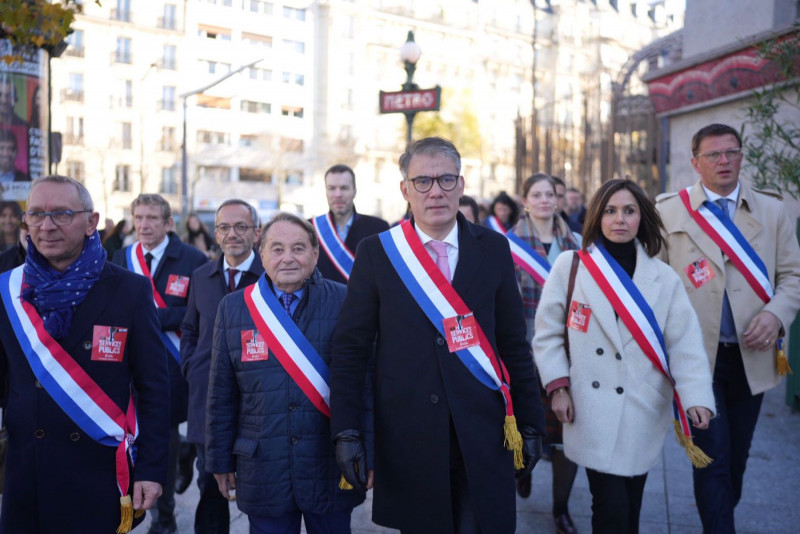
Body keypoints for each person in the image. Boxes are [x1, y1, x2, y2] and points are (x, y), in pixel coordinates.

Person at [330, 137, 544, 534]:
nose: (436, 192)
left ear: (461, 186)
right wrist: (347, 429)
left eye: (446, 180)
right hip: (409, 433)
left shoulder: (493, 248)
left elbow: (513, 342)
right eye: (423, 181)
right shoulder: (378, 252)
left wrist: (532, 422)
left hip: (484, 429)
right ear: (405, 189)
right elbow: (351, 349)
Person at [533, 178, 715, 534]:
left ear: (641, 218)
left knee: (631, 507)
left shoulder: (664, 278)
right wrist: (558, 387)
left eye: (629, 211)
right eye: (610, 211)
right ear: (597, 217)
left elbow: (685, 343)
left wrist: (696, 397)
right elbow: (548, 335)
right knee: (610, 509)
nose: (619, 219)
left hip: (642, 408)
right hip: (589, 408)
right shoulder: (571, 266)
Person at [0, 175, 170, 532]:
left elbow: (153, 388)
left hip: (97, 473)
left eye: (61, 213)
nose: (46, 226)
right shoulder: (7, 289)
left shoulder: (130, 291)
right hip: (25, 470)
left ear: (92, 222)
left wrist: (152, 470)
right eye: (36, 214)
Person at [655, 123, 800, 533]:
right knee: (712, 454)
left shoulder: (771, 210)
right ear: (695, 162)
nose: (724, 162)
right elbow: (655, 280)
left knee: (736, 458)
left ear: (741, 156)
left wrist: (775, 315)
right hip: (696, 358)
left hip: (751, 357)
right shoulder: (669, 210)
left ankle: (719, 516)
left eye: (731, 153)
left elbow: (793, 275)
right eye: (713, 155)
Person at [206, 212, 368, 533]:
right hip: (263, 466)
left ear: (315, 253)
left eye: (298, 248)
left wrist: (371, 452)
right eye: (277, 249)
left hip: (329, 462)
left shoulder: (345, 300)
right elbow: (221, 393)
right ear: (261, 253)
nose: (288, 258)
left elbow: (366, 385)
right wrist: (220, 461)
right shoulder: (234, 307)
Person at [112, 193, 208, 534]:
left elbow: (199, 312)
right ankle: (181, 451)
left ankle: (163, 519)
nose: (144, 225)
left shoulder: (193, 259)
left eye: (152, 218)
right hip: (129, 367)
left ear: (169, 223)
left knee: (160, 442)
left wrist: (154, 315)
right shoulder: (122, 258)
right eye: (138, 217)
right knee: (137, 438)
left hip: (172, 367)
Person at [181, 199, 264, 534]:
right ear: (215, 233)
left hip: (256, 401)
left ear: (256, 233)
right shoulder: (201, 275)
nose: (233, 234)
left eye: (241, 227)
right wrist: (191, 365)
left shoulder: (269, 276)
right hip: (208, 401)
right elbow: (189, 327)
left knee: (259, 488)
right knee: (210, 485)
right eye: (225, 227)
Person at [511, 173, 581, 534]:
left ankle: (561, 509)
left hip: (570, 355)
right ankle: (522, 473)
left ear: (558, 199)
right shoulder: (505, 245)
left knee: (567, 435)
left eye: (550, 194)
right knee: (524, 430)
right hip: (523, 355)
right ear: (524, 200)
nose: (543, 200)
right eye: (536, 194)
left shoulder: (579, 244)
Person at [311, 164, 389, 284]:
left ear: (354, 191)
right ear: (326, 192)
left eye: (344, 188)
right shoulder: (310, 228)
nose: (338, 194)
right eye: (332, 188)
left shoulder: (379, 229)